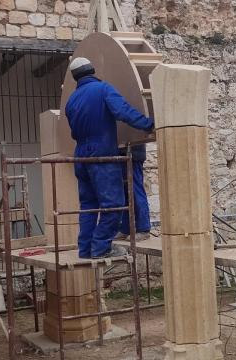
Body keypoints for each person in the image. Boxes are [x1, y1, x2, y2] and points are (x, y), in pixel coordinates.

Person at [65, 57, 154, 259]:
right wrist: (148, 124)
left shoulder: (71, 100)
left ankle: (85, 249)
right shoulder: (103, 89)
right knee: (113, 204)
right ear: (93, 70)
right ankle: (101, 247)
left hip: (81, 156)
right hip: (102, 154)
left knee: (88, 205)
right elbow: (123, 112)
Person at [116, 144, 151, 241]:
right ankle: (125, 228)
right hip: (122, 151)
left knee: (136, 191)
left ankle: (144, 229)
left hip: (134, 153)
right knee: (124, 192)